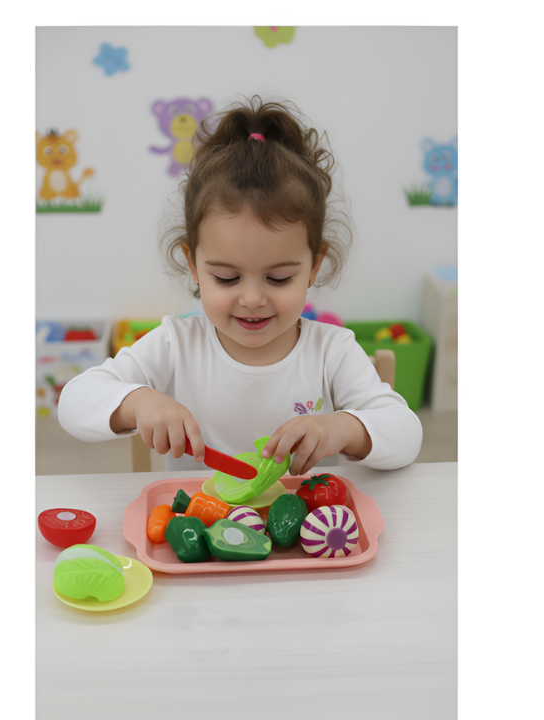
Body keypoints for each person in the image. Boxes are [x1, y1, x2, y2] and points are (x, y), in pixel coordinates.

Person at [58, 96, 422, 476]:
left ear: (314, 266)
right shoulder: (176, 344)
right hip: (198, 514)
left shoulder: (332, 352)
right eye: (226, 278)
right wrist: (139, 402)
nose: (251, 299)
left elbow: (406, 435)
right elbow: (74, 401)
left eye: (279, 278)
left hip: (299, 516)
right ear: (193, 264)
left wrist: (344, 428)